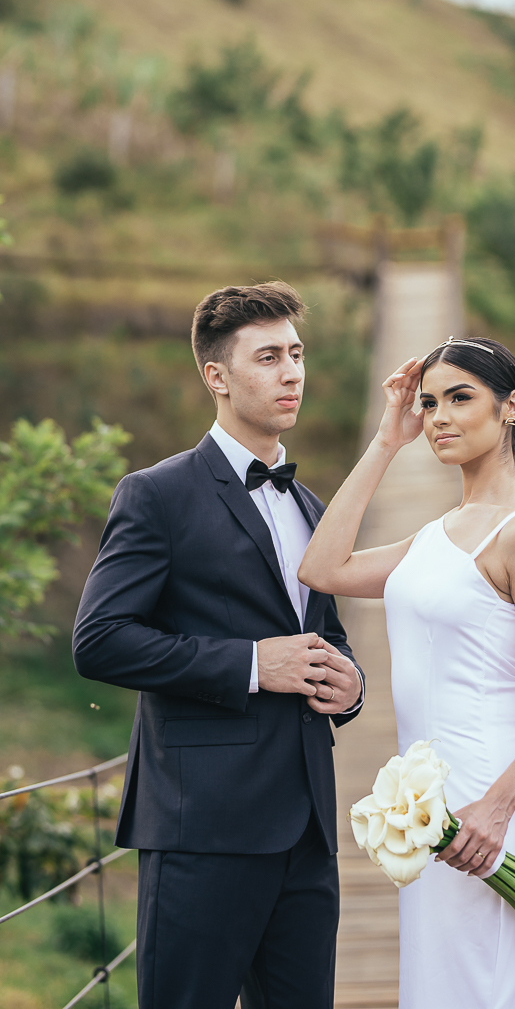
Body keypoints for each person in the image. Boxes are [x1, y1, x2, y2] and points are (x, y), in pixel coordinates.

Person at [299, 337, 515, 1009]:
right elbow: (321, 569)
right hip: (433, 814)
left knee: (494, 988)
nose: (439, 416)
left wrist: (497, 809)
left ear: (511, 406)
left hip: (495, 804)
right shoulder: (433, 536)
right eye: (428, 403)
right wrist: (387, 440)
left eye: (459, 398)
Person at [73, 281, 365, 1009]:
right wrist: (248, 665)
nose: (291, 372)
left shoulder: (311, 505)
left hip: (307, 832)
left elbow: (327, 638)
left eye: (296, 354)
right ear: (217, 376)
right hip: (200, 828)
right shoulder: (155, 494)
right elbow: (100, 640)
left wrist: (349, 683)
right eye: (268, 357)